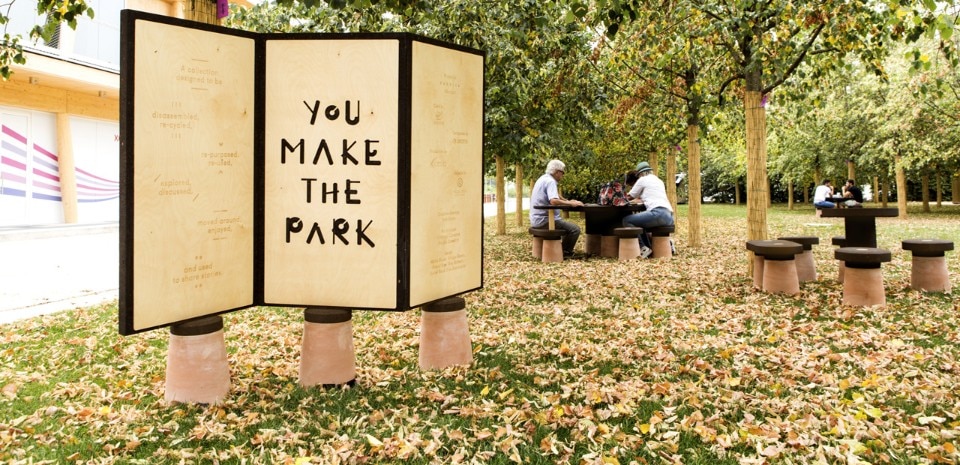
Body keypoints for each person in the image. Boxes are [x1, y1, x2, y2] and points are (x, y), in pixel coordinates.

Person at [529, 160, 585, 257]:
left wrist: (568, 200)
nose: (562, 175)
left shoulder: (543, 178)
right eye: (562, 173)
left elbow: (555, 195)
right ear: (557, 172)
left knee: (565, 227)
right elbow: (553, 200)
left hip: (536, 219)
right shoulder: (551, 181)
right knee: (575, 229)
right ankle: (564, 252)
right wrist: (570, 204)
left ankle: (561, 250)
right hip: (545, 220)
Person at [622, 161, 674, 258]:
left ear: (640, 173)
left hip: (658, 213)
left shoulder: (642, 180)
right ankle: (652, 247)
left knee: (627, 220)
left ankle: (643, 248)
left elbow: (628, 197)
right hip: (670, 216)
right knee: (642, 224)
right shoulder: (658, 180)